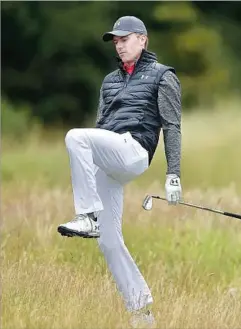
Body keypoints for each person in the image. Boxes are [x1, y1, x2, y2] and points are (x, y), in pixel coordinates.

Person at [57, 16, 182, 327]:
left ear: (143, 39)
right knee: (109, 241)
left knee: (75, 135)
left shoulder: (163, 76)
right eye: (116, 40)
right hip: (111, 154)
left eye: (125, 38)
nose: (119, 44)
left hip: (134, 150)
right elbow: (102, 126)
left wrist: (173, 174)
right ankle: (142, 313)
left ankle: (87, 215)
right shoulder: (110, 81)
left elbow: (173, 126)